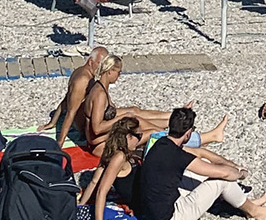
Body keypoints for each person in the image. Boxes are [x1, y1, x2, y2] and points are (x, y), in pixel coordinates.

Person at [134, 107, 266, 220]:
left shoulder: (160, 143)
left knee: (202, 167)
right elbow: (225, 174)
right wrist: (241, 173)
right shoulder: (178, 155)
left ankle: (244, 203)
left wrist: (226, 164)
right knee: (221, 181)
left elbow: (200, 157)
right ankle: (254, 211)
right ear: (188, 133)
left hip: (153, 211)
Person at [78, 54, 226, 155]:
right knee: (150, 133)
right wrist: (123, 118)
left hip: (104, 139)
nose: (119, 76)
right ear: (110, 71)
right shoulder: (99, 95)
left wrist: (127, 116)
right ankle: (198, 139)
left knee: (139, 120)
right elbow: (96, 129)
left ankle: (184, 134)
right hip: (100, 145)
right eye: (118, 72)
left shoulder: (100, 88)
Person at [78, 116, 144, 220]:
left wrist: (81, 205)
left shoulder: (111, 151)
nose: (140, 140)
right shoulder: (120, 157)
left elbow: (94, 181)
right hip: (140, 201)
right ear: (128, 137)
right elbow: (102, 190)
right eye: (139, 136)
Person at [38, 46, 108, 147]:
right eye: (99, 64)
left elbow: (66, 99)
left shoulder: (80, 71)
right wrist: (60, 143)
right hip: (84, 127)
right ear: (90, 61)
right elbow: (71, 112)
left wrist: (52, 122)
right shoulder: (83, 80)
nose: (102, 69)